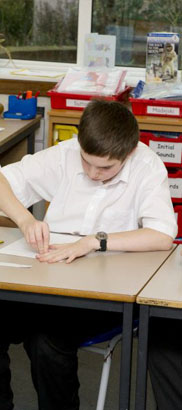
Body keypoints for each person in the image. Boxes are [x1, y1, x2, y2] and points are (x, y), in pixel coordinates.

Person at [0, 99, 177, 410]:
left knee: (46, 341)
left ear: (129, 151)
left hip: (103, 295)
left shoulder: (147, 166)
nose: (94, 173)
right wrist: (25, 218)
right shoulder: (66, 154)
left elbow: (162, 235)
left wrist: (94, 242)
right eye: (87, 162)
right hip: (45, 281)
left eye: (106, 167)